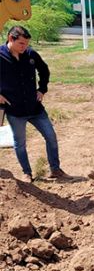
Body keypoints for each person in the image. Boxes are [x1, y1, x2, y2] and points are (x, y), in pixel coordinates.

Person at [0, 26, 65, 183]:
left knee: (51, 136)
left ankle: (55, 170)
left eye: (27, 43)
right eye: (21, 43)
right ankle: (27, 173)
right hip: (14, 110)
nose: (25, 47)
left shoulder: (30, 54)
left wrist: (42, 89)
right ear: (10, 39)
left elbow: (44, 70)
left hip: (35, 108)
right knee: (20, 143)